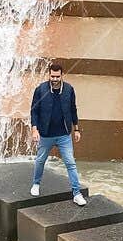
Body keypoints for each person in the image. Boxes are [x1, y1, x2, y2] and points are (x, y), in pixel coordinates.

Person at [29, 61, 85, 205]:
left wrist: (76, 129)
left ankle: (77, 193)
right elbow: (34, 110)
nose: (54, 79)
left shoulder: (69, 89)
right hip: (46, 135)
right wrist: (34, 129)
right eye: (52, 76)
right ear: (49, 75)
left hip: (64, 134)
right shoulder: (40, 89)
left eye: (57, 77)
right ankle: (36, 184)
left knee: (70, 163)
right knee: (40, 160)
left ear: (62, 76)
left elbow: (73, 110)